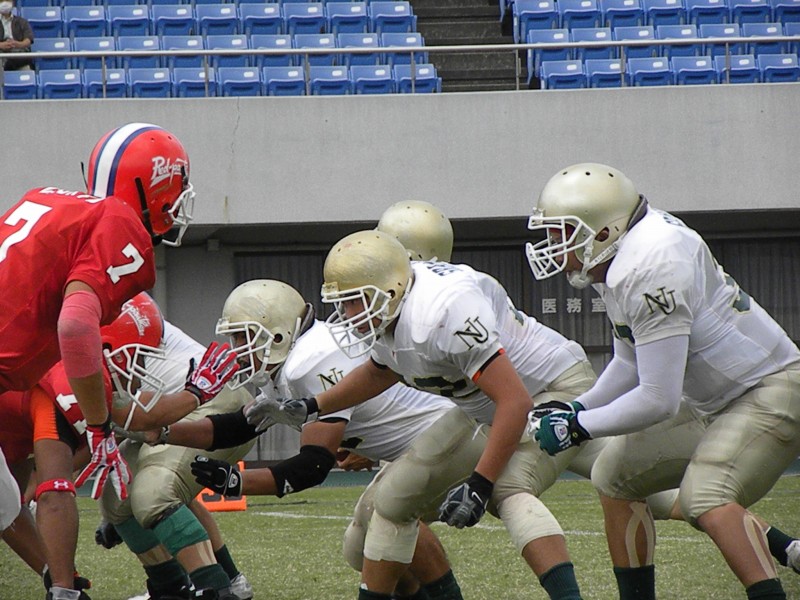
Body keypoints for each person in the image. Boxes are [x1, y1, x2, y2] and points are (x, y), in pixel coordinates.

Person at [248, 229, 610, 600]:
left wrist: (480, 483)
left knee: (508, 488)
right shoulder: (393, 310)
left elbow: (515, 402)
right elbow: (379, 372)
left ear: (390, 289)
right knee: (392, 501)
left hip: (551, 388)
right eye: (344, 303)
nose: (349, 315)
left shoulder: (444, 311)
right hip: (481, 406)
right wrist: (314, 405)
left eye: (356, 301)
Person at [525, 163, 800, 600]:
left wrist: (576, 427)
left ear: (604, 231)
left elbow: (657, 398)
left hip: (768, 388)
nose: (556, 248)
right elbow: (629, 360)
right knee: (613, 476)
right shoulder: (621, 252)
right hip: (715, 397)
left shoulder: (649, 263)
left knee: (704, 497)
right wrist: (579, 407)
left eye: (563, 235)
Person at [145, 278, 462, 600]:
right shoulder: (286, 365)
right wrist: (162, 431)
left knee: (387, 514)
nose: (237, 349)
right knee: (360, 548)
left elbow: (312, 466)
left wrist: (237, 482)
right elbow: (236, 427)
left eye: (243, 336)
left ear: (278, 335)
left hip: (443, 437)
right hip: (412, 448)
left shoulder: (312, 360)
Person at [0, 122, 195, 585]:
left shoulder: (45, 199)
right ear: (157, 189)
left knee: (4, 501)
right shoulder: (119, 224)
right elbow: (74, 324)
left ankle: (61, 587)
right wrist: (100, 424)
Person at [0, 293, 239, 600]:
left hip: (12, 428)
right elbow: (54, 491)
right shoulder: (70, 375)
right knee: (49, 492)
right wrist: (63, 587)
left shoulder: (70, 359)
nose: (140, 366)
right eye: (137, 355)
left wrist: (55, 574)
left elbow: (18, 500)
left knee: (9, 499)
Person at [99, 313, 254, 600]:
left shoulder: (109, 317)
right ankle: (172, 588)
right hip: (165, 410)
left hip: (210, 405)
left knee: (154, 491)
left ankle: (218, 588)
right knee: (118, 496)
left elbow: (139, 414)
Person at [0, 1, 33, 72]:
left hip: (18, 56)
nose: (4, 3)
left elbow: (28, 40)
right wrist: (1, 45)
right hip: (1, 55)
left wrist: (18, 44)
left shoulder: (22, 22)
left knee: (27, 71)